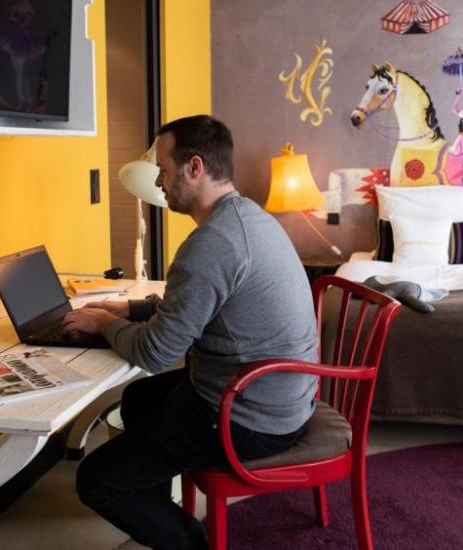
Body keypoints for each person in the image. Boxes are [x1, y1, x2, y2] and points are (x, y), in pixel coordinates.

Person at [63, 115, 318, 550]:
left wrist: (105, 324)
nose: (157, 182)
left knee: (97, 479)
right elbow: (203, 304)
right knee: (137, 399)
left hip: (248, 416)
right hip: (279, 396)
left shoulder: (212, 244)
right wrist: (130, 309)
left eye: (162, 169)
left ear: (194, 167)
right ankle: (156, 508)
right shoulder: (246, 217)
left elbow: (156, 353)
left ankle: (189, 542)